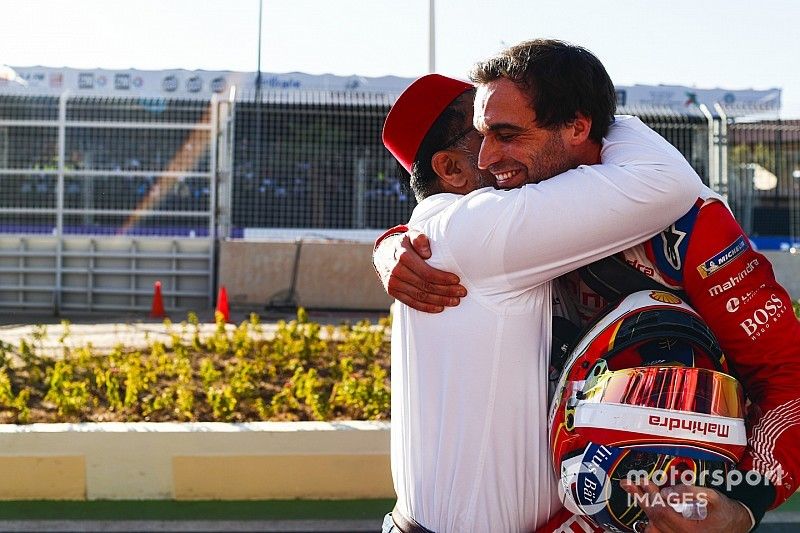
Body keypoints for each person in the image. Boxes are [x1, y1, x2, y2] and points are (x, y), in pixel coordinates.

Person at [374, 39, 800, 533]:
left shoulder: (692, 229)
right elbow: (454, 226)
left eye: (505, 133)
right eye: (481, 136)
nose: (489, 158)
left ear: (578, 126)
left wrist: (742, 504)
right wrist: (396, 244)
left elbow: (788, 375)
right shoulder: (500, 218)